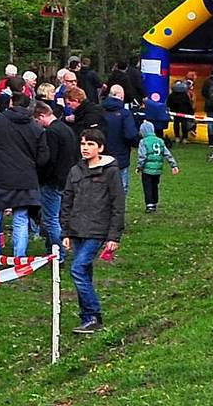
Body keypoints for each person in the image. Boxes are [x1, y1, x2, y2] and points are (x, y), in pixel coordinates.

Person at [60, 127, 126, 334]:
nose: (85, 148)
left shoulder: (111, 172)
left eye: (90, 144)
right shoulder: (75, 171)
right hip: (77, 229)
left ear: (100, 148)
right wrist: (66, 232)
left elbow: (118, 204)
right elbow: (67, 201)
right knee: (84, 273)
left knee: (77, 269)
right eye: (83, 144)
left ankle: (94, 313)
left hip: (97, 231)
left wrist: (114, 236)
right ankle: (87, 318)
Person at [0, 93, 42, 261]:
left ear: (11, 103)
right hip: (26, 178)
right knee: (21, 219)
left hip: (1, 177)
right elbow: (43, 155)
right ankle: (19, 259)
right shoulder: (36, 127)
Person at [32, 104, 76, 249]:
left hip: (53, 181)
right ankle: (52, 248)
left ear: (41, 116)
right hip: (67, 178)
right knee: (60, 217)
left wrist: (42, 178)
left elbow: (49, 160)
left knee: (51, 219)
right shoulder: (66, 129)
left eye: (37, 121)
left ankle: (59, 254)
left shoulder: (51, 133)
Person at [136, 122, 173, 216]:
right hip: (157, 169)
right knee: (155, 185)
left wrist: (139, 167)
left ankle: (149, 204)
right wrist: (173, 165)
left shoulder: (143, 142)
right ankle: (155, 202)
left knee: (147, 186)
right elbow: (167, 153)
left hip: (147, 170)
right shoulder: (160, 140)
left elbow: (142, 156)